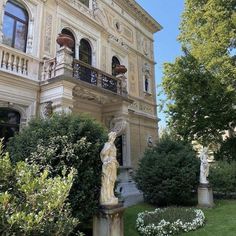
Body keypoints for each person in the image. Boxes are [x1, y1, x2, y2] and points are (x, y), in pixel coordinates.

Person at [100, 131, 119, 205]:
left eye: (115, 137)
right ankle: (107, 197)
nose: (114, 138)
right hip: (109, 164)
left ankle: (111, 194)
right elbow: (104, 155)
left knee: (112, 180)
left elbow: (114, 156)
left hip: (113, 164)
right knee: (108, 181)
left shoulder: (113, 145)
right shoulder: (107, 145)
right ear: (110, 137)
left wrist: (115, 161)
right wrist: (107, 161)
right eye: (113, 136)